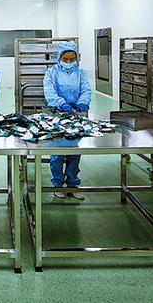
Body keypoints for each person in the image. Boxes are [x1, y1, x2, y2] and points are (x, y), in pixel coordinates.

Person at [43, 41, 92, 200]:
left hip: (76, 115)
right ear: (59, 58)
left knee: (74, 151)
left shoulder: (81, 73)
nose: (69, 62)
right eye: (66, 59)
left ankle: (72, 184)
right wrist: (61, 104)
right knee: (57, 152)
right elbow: (49, 92)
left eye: (72, 59)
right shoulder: (51, 72)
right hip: (57, 114)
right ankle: (57, 184)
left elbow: (86, 89)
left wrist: (83, 103)